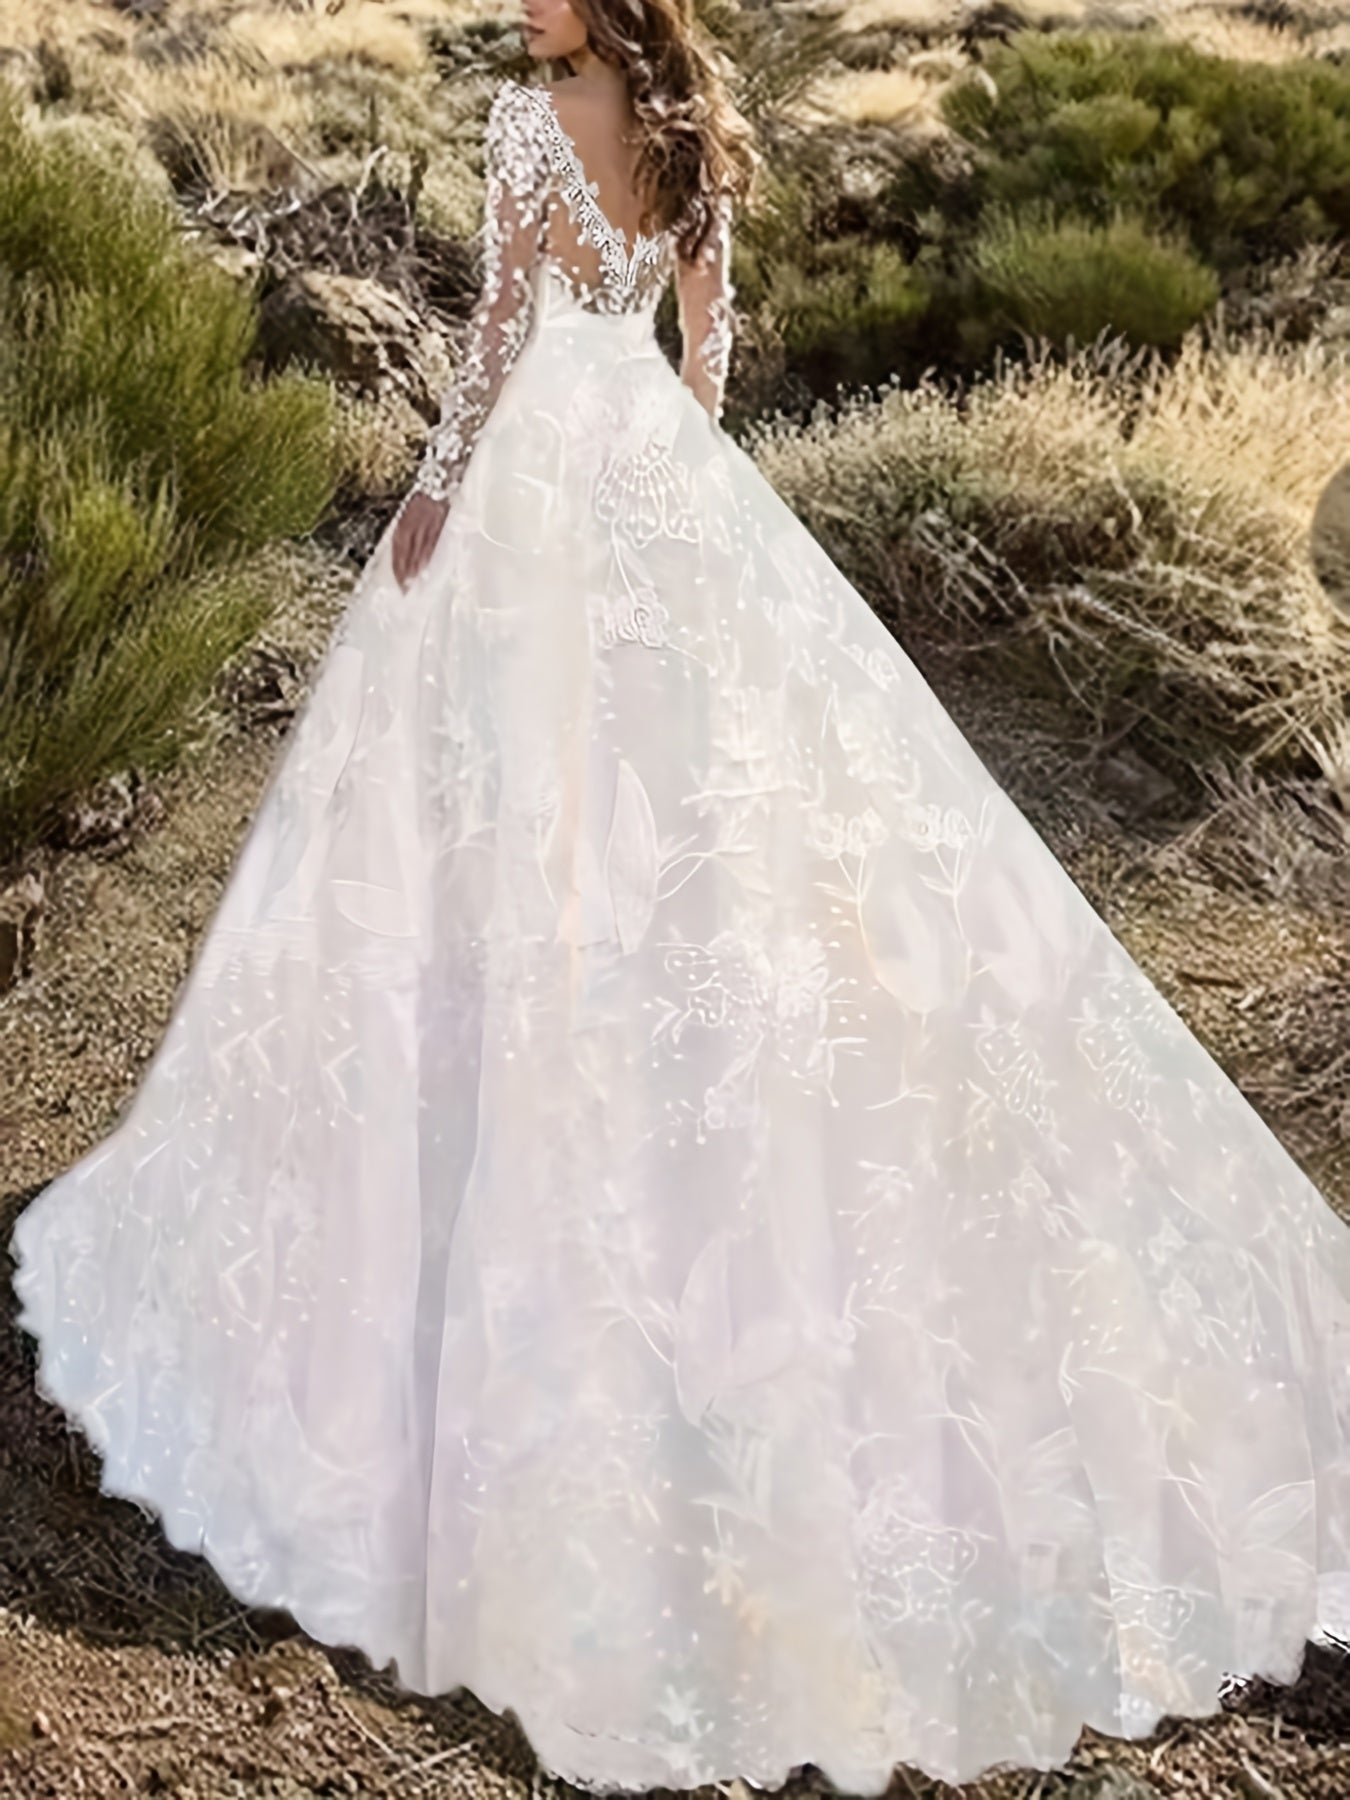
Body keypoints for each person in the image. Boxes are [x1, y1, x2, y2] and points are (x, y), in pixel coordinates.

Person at [11, 0, 1350, 1792]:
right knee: (665, 823)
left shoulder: (518, 123)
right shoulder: (691, 118)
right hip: (652, 475)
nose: (526, 5)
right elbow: (709, 356)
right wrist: (673, 485)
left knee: (526, 817)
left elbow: (492, 340)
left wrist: (432, 491)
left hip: (546, 485)